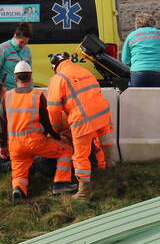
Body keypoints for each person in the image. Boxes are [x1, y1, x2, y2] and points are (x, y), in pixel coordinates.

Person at [0, 63, 75, 202]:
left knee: (19, 172)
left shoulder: (7, 96)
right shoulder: (37, 95)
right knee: (66, 150)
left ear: (15, 79)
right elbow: (46, 122)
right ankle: (61, 183)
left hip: (15, 146)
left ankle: (19, 190)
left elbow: (1, 125)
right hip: (35, 142)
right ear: (31, 77)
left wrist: (2, 146)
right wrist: (58, 137)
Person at [46, 52, 115, 200]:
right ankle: (110, 165)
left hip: (82, 118)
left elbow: (53, 108)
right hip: (102, 112)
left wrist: (57, 128)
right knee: (105, 138)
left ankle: (84, 193)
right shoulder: (84, 70)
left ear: (55, 66)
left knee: (80, 155)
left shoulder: (58, 78)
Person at [0, 22, 33, 89]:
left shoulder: (27, 50)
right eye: (21, 42)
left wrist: (30, 88)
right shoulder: (2, 48)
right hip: (7, 90)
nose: (23, 45)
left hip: (23, 91)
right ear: (15, 36)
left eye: (26, 43)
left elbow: (29, 73)